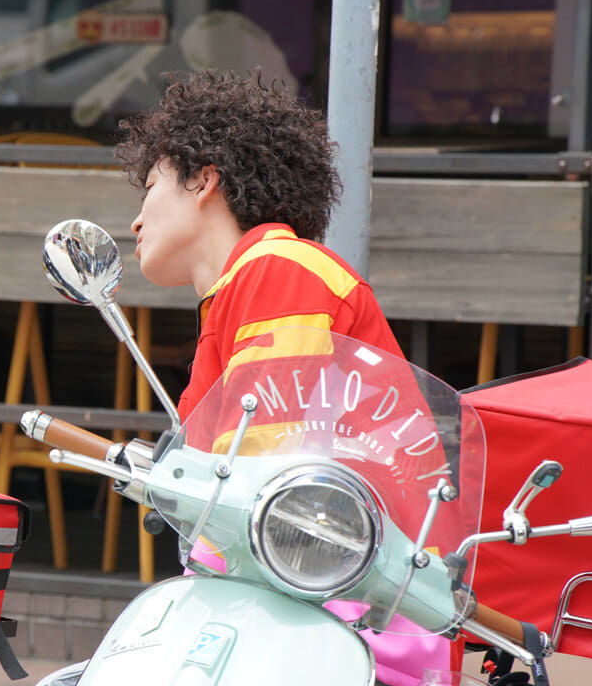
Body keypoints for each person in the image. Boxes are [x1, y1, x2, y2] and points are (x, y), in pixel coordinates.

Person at [116, 69, 449, 686]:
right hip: (322, 599)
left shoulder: (276, 268)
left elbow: (265, 474)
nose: (136, 221)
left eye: (151, 187)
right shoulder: (252, 284)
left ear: (205, 180)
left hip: (343, 612)